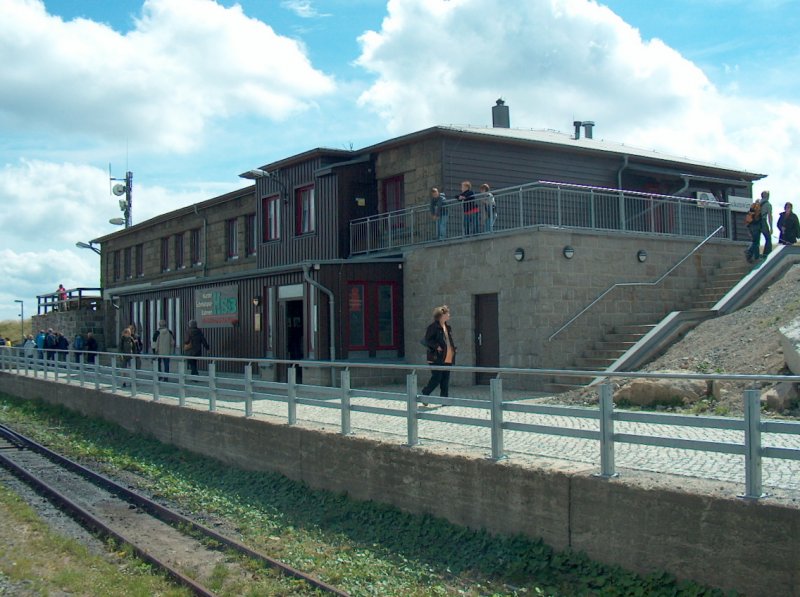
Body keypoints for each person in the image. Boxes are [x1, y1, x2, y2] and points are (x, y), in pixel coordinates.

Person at [420, 305, 457, 406]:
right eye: (447, 313)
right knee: (437, 378)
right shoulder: (433, 327)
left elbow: (449, 341)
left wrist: (453, 350)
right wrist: (436, 346)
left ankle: (444, 400)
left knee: (445, 379)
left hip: (447, 357)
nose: (449, 315)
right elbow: (427, 340)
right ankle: (425, 393)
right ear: (442, 315)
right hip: (436, 357)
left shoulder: (447, 327)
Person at [745, 199, 762, 263]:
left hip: (750, 227)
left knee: (755, 242)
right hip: (756, 227)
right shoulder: (758, 207)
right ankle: (749, 251)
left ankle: (755, 257)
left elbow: (747, 220)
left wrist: (748, 229)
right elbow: (759, 218)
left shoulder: (751, 209)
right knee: (756, 242)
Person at [759, 190, 773, 258]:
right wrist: (771, 227)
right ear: (767, 196)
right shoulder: (768, 204)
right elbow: (770, 216)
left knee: (756, 239)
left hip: (755, 222)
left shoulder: (757, 202)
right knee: (768, 238)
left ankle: (755, 254)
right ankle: (767, 253)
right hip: (763, 221)